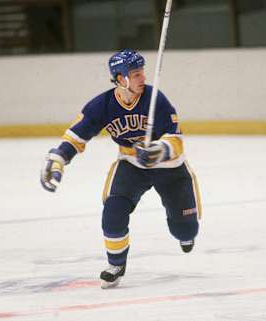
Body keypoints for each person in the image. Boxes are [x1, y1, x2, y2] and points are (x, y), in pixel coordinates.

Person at [40, 49, 201, 289]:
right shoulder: (102, 105)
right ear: (119, 79)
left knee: (184, 230)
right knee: (113, 210)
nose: (142, 78)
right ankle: (116, 264)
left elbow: (176, 139)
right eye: (135, 74)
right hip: (131, 164)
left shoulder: (156, 99)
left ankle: (185, 233)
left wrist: (159, 149)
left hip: (169, 168)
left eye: (142, 72)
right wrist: (59, 158)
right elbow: (77, 136)